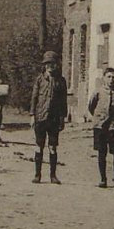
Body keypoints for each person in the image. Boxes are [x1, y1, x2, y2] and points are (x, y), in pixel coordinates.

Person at [29, 50, 69, 184]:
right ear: (44, 65)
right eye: (47, 64)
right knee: (39, 146)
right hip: (40, 117)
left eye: (52, 63)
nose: (50, 66)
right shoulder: (39, 80)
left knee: (52, 147)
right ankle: (37, 175)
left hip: (54, 118)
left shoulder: (61, 81)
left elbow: (63, 101)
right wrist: (32, 115)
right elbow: (34, 98)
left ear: (56, 65)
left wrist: (62, 118)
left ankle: (53, 175)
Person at [88, 66, 114, 189]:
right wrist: (99, 117)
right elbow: (91, 106)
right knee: (101, 152)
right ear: (104, 78)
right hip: (100, 126)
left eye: (113, 77)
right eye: (109, 77)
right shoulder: (98, 92)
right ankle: (103, 179)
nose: (111, 79)